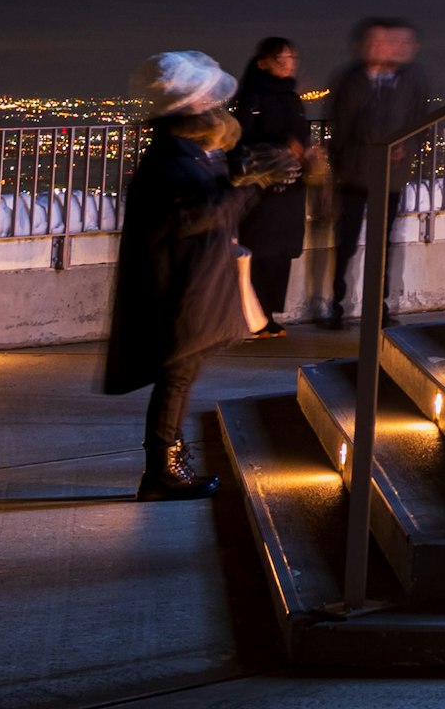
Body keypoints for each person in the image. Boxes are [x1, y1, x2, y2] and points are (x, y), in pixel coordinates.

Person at [102, 51, 299, 499]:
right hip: (182, 285)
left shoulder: (192, 149)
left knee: (181, 374)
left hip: (195, 280)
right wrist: (250, 183)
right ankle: (162, 473)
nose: (214, 98)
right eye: (205, 91)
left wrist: (252, 182)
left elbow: (215, 206)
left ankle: (167, 467)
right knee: (177, 374)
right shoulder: (173, 156)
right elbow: (195, 215)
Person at [319, 16, 436, 328]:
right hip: (354, 175)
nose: (393, 48)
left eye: (401, 43)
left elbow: (420, 122)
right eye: (384, 42)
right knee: (346, 243)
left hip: (391, 178)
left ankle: (378, 308)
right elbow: (340, 127)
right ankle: (337, 307)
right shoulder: (351, 79)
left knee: (383, 245)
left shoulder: (413, 79)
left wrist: (405, 148)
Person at [231, 37, 314, 334]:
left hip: (289, 188)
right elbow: (240, 141)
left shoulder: (292, 98)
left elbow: (301, 135)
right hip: (261, 192)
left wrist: (305, 152)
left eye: (292, 58)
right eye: (282, 58)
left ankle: (268, 315)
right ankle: (255, 316)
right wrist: (281, 148)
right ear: (262, 63)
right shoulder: (252, 98)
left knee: (281, 254)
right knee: (261, 252)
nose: (289, 64)